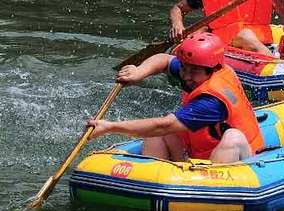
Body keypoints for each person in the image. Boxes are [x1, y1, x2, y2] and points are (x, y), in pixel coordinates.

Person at [88, 32, 264, 163]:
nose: (186, 76)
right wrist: (139, 72)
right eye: (184, 68)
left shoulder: (212, 101)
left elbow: (164, 124)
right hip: (201, 153)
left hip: (237, 160)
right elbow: (164, 60)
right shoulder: (197, 69)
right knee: (156, 134)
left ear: (212, 70)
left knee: (233, 136)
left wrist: (110, 127)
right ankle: (152, 181)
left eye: (193, 71)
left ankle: (208, 194)